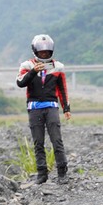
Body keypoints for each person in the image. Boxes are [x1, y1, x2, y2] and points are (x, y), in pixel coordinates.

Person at [16, 34, 71, 184]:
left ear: (51, 51)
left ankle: (62, 172)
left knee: (56, 140)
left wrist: (66, 107)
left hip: (51, 106)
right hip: (34, 107)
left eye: (47, 52)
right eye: (41, 52)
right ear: (35, 51)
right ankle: (42, 174)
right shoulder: (26, 65)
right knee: (38, 142)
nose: (44, 54)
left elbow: (62, 88)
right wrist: (33, 71)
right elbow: (20, 83)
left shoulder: (58, 67)